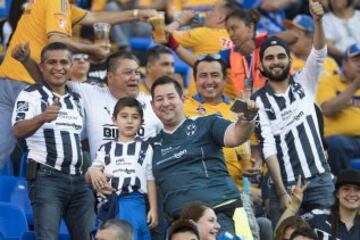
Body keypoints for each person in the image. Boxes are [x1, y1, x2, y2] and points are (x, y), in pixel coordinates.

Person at [0, 0, 158, 169]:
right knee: (58, 152)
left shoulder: (57, 4)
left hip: (6, 79)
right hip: (28, 82)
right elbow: (56, 40)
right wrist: (90, 50)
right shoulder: (57, 2)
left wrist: (136, 14)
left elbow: (94, 16)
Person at [252, 0, 335, 225]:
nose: (276, 62)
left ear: (290, 60)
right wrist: (280, 192)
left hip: (320, 180)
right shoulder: (257, 101)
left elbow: (319, 53)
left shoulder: (304, 82)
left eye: (280, 56)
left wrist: (318, 21)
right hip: (286, 185)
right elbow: (267, 147)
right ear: (261, 67)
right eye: (269, 58)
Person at [149, 76, 259, 236]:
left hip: (224, 214)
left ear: (183, 99)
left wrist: (246, 120)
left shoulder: (207, 123)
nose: (165, 103)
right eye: (159, 99)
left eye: (171, 97)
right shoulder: (151, 145)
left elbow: (235, 136)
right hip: (182, 227)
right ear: (152, 106)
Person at [13, 45, 163, 160]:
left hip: (145, 183)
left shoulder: (152, 104)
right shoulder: (91, 94)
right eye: (128, 73)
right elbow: (51, 80)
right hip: (102, 185)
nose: (135, 78)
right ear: (110, 77)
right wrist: (26, 60)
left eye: (137, 73)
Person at [11, 42, 94, 239]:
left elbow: (82, 140)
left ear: (72, 66)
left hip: (80, 181)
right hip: (47, 180)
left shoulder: (78, 99)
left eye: (64, 62)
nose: (58, 67)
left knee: (88, 236)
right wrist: (42, 117)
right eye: (52, 62)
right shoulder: (30, 94)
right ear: (42, 67)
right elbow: (17, 130)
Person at [86, 97, 158, 240]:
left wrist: (154, 209)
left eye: (135, 117)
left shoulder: (146, 148)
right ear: (114, 120)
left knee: (134, 235)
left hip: (135, 200)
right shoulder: (105, 149)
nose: (129, 121)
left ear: (141, 122)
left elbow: (150, 179)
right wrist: (92, 171)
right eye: (124, 116)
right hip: (110, 201)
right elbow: (91, 174)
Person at [278, 169, 360, 240]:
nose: (352, 194)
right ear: (337, 193)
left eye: (357, 189)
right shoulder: (317, 218)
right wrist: (293, 206)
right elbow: (280, 232)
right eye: (346, 189)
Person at [316, 43, 360, 174]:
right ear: (344, 63)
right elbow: (328, 110)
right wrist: (355, 85)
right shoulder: (328, 81)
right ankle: (339, 189)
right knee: (336, 144)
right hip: (341, 141)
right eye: (356, 60)